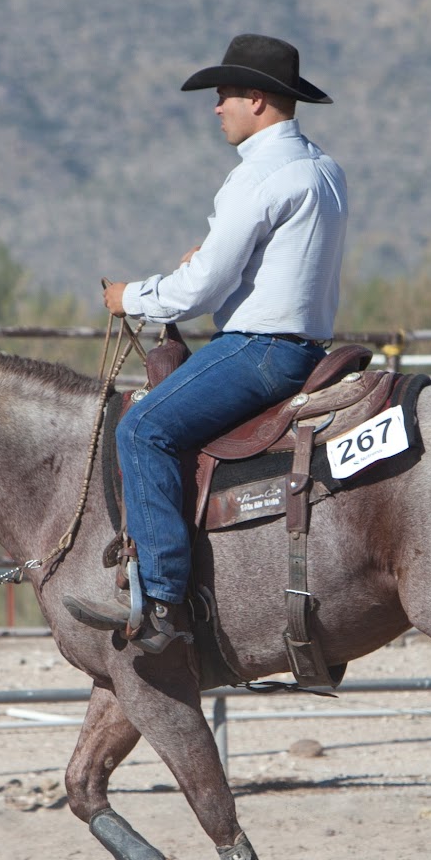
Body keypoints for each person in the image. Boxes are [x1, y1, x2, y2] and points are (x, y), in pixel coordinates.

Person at [63, 33, 348, 653]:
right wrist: (220, 273)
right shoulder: (323, 169)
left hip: (259, 349)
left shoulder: (256, 177)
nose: (216, 109)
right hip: (303, 346)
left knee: (142, 430)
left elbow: (199, 289)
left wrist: (129, 297)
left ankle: (161, 599)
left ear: (257, 100)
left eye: (225, 97)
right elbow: (281, 268)